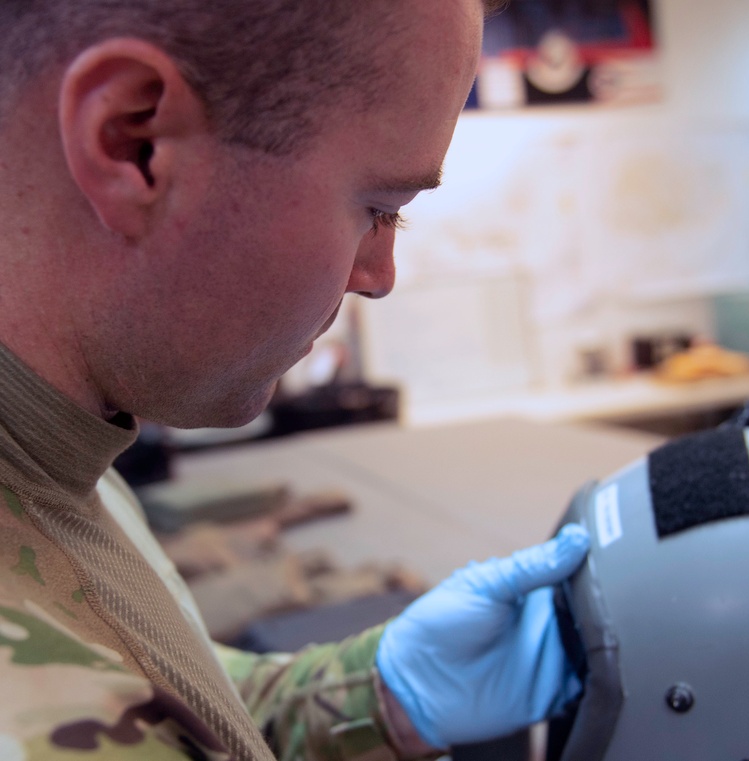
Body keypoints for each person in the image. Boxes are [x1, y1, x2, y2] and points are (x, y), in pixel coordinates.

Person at [0, 1, 590, 759]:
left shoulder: (62, 451)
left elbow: (151, 693)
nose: (379, 277)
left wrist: (379, 695)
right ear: (134, 140)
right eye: (380, 207)